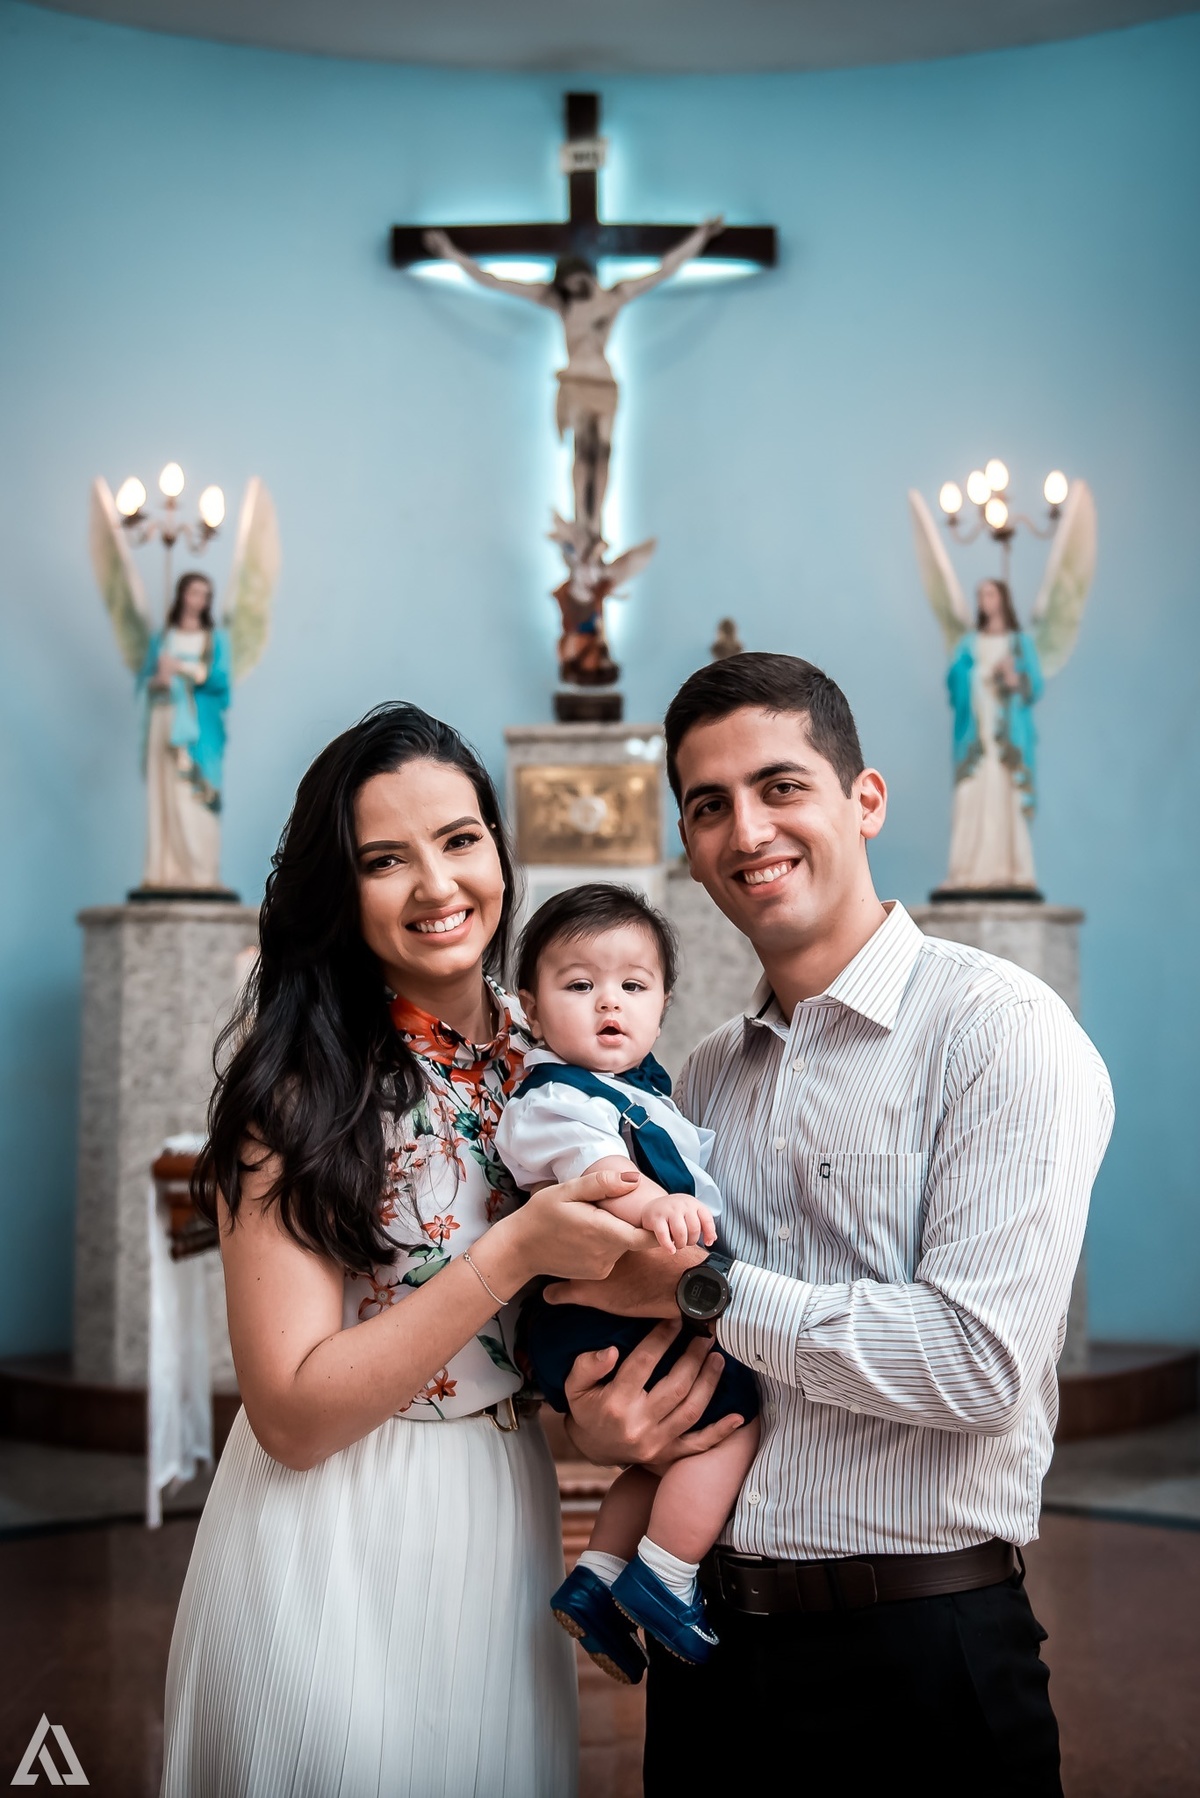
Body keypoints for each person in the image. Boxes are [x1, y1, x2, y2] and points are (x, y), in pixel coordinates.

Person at [547, 652, 1114, 1796]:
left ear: (864, 799)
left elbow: (980, 1363)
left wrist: (705, 1293)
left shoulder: (997, 1031)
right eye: (709, 806)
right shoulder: (696, 1079)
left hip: (921, 1647)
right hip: (710, 1650)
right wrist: (612, 1421)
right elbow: (653, 1350)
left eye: (780, 785)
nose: (746, 828)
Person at [159, 701, 730, 1798]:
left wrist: (597, 1415)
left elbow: (560, 1322)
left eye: (461, 840)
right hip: (337, 1524)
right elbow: (289, 1415)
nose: (438, 885)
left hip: (499, 1506)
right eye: (386, 858)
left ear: (500, 850)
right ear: (342, 885)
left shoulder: (546, 1049)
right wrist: (512, 1253)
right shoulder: (303, 1087)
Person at [494, 884, 760, 1682]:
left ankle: (599, 1579)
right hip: (592, 1310)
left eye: (633, 986)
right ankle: (667, 1579)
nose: (609, 1002)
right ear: (531, 1011)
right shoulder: (554, 1099)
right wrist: (658, 1203)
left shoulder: (646, 1090)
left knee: (659, 1456)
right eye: (579, 986)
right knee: (733, 1421)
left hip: (631, 1312)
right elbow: (600, 1173)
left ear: (663, 1002)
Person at [422, 220, 723, 536]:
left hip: (605, 384)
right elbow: (493, 281)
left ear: (587, 274)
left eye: (577, 280)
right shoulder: (558, 302)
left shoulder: (615, 297)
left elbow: (664, 270)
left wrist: (700, 236)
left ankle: (597, 524)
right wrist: (449, 253)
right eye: (566, 284)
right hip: (576, 382)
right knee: (583, 451)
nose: (573, 288)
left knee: (604, 452)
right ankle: (581, 520)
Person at [942, 576, 1044, 894]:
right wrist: (978, 674)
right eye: (980, 594)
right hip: (977, 738)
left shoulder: (1018, 643)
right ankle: (969, 871)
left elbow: (1034, 686)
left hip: (1007, 738)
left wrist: (1014, 678)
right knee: (973, 796)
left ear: (1001, 598)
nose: (983, 600)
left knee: (1006, 796)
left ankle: (1012, 870)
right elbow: (954, 681)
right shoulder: (970, 643)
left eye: (989, 593)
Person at [138, 570, 231, 890]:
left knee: (194, 796)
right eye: (193, 593)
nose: (198, 600)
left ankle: (201, 873)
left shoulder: (214, 640)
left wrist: (183, 669)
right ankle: (165, 870)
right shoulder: (162, 640)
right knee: (165, 792)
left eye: (205, 594)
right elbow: (145, 685)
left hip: (198, 729)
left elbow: (220, 682)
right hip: (164, 720)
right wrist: (160, 680)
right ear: (181, 595)